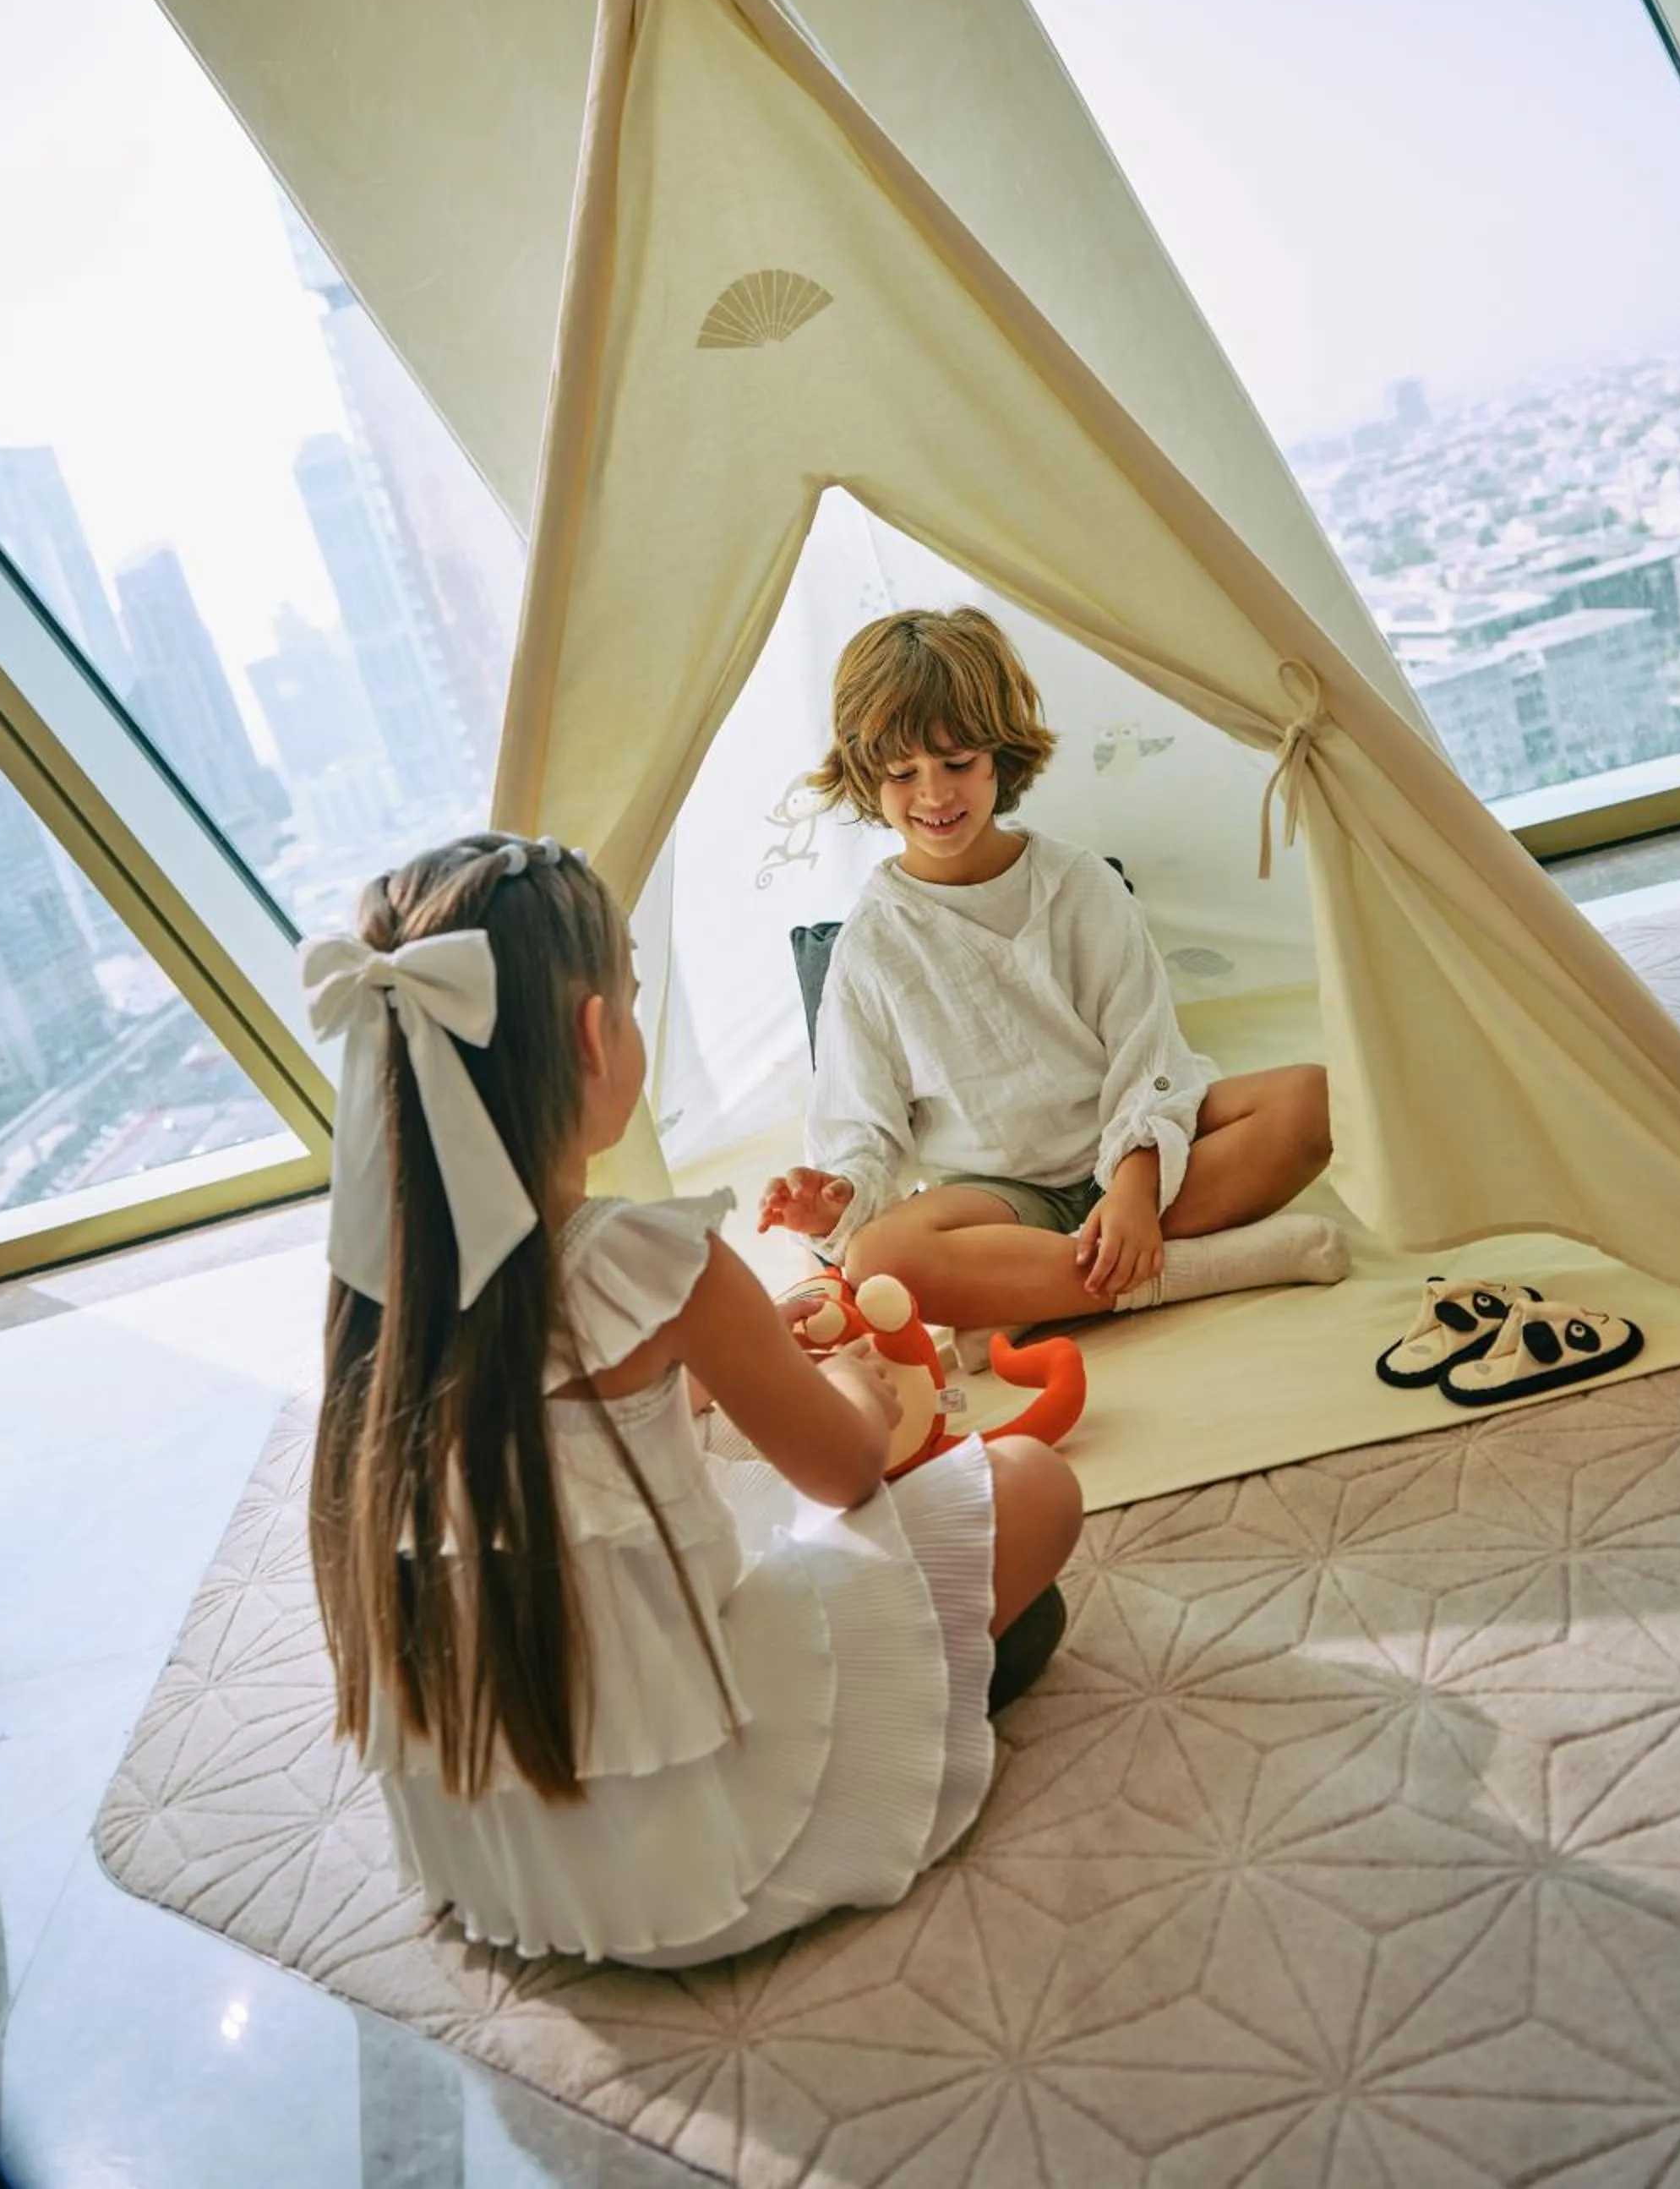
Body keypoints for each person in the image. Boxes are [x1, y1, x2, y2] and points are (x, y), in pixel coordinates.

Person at [303, 832, 1080, 1969]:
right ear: (592, 1036)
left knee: (751, 1503)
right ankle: (922, 1705)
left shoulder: (378, 1290)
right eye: (628, 994)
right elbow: (844, 1467)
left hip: (501, 1860)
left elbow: (579, 1446)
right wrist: (853, 1386)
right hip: (702, 1851)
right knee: (1030, 1487)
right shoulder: (643, 1258)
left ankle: (946, 1666)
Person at [760, 609, 1347, 1362]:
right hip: (1002, 1198)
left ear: (1000, 755)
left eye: (957, 763)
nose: (934, 795)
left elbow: (1149, 1053)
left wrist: (1134, 1187)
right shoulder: (872, 946)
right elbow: (863, 1132)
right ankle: (1187, 1271)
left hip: (1143, 1158)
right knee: (879, 1257)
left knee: (1310, 1101)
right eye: (903, 774)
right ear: (868, 778)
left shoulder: (1082, 886)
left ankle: (1034, 1292)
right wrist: (834, 1197)